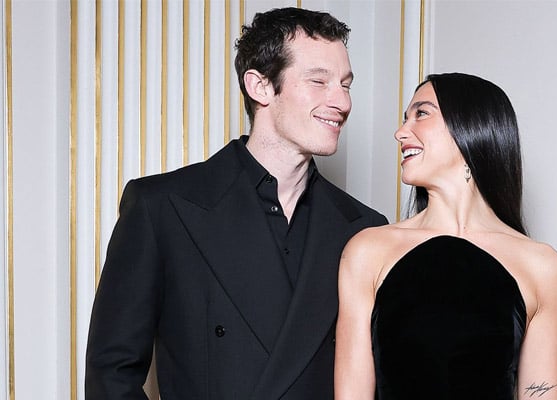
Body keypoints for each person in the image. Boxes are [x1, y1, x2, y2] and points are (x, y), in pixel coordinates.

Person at [85, 7, 387, 400]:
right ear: (260, 86)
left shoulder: (365, 228)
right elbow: (111, 374)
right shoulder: (161, 207)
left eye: (345, 85)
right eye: (319, 81)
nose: (342, 102)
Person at [334, 73, 557, 399]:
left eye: (421, 113)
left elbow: (539, 393)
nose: (400, 133)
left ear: (469, 127)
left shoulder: (542, 266)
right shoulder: (368, 251)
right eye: (405, 118)